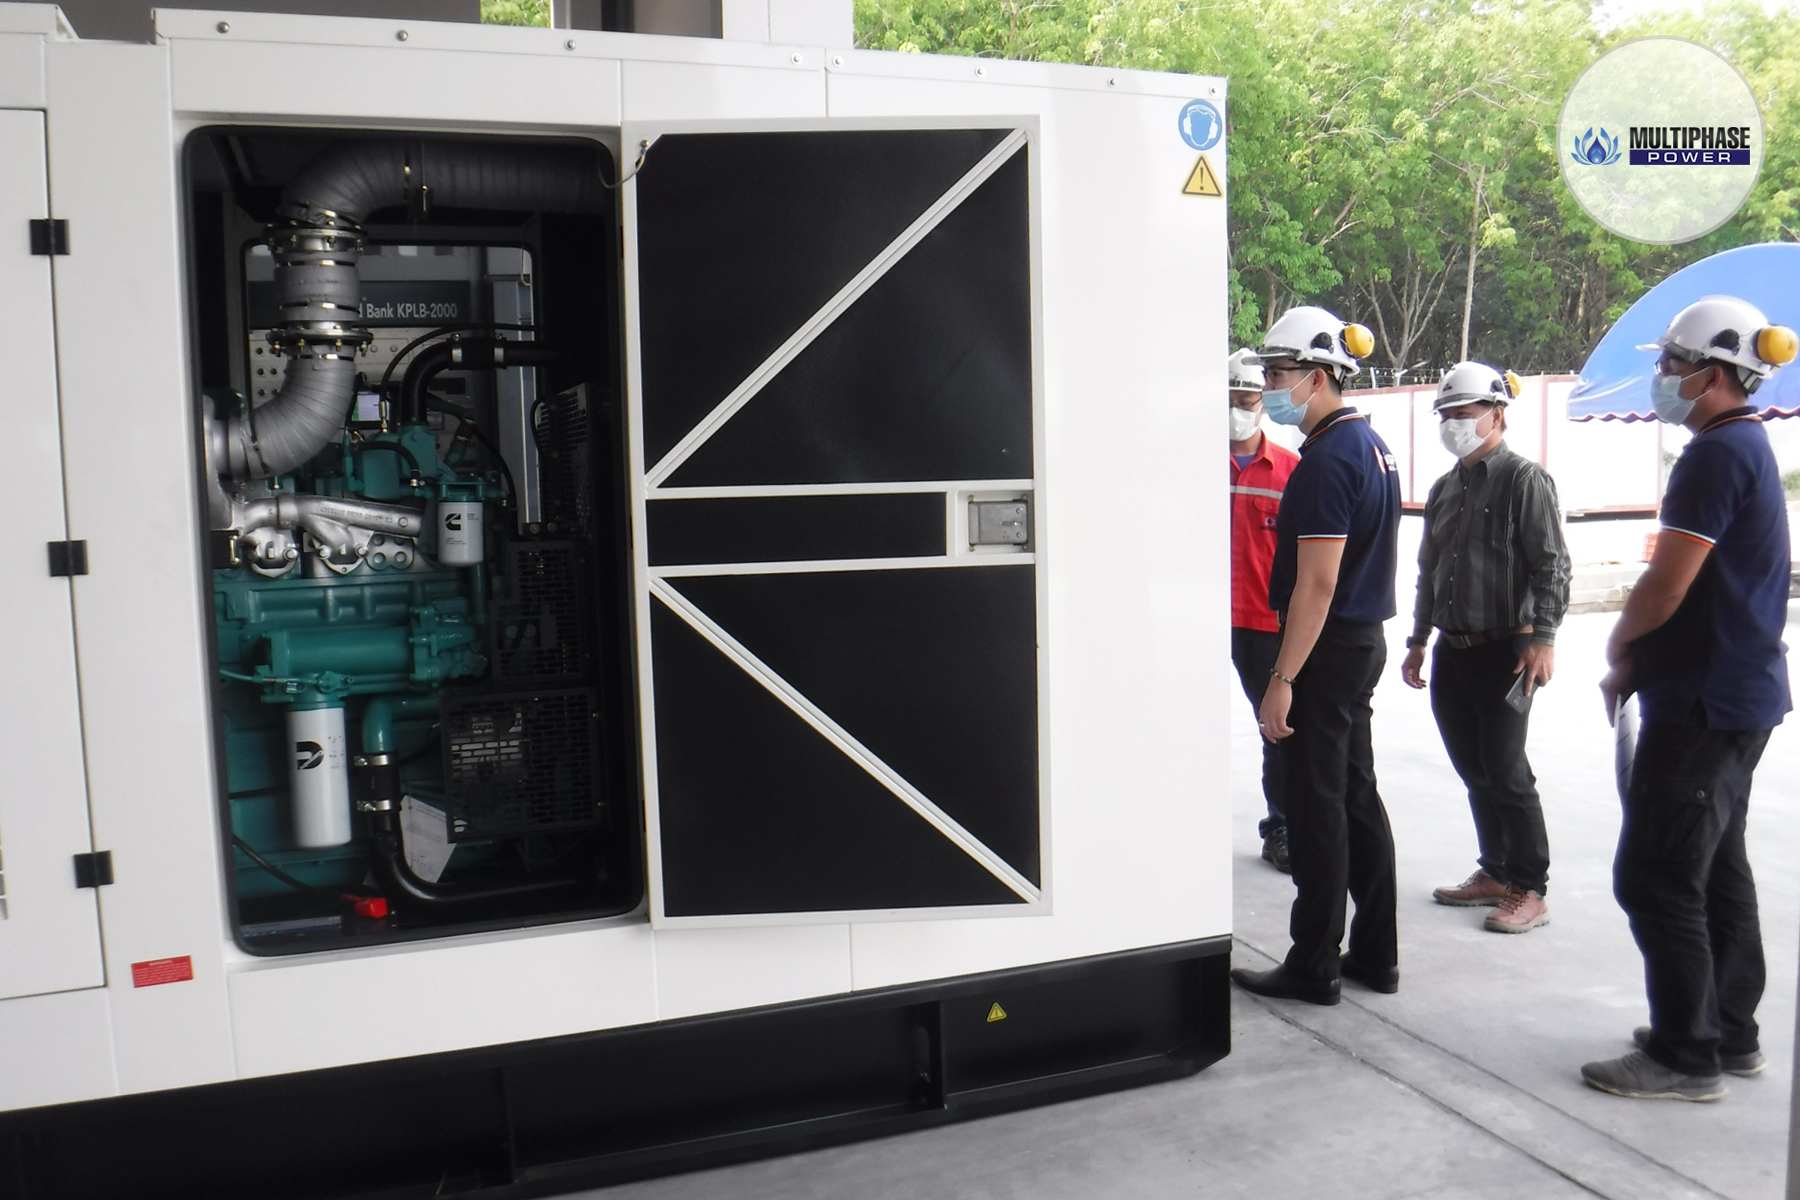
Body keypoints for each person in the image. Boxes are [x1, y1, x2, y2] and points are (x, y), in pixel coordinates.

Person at [1582, 296, 1797, 1101]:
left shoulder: (1714, 456)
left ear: (1713, 374)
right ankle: (1728, 1030)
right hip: (1738, 695)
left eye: (1673, 362)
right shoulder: (1747, 445)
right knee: (1716, 866)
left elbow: (1667, 583)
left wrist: (1621, 647)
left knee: (1657, 874)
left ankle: (1686, 1055)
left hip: (1703, 703)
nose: (1663, 376)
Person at [1228, 306, 1403, 1005]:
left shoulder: (1328, 459)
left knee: (1316, 803)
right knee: (1355, 794)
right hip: (1359, 642)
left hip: (1326, 651)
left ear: (1319, 376)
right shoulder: (1372, 446)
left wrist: (1282, 677)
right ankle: (1376, 954)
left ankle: (1314, 962)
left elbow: (1318, 583)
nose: (1270, 388)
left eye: (1278, 374)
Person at [1402, 363, 1571, 935]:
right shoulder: (1445, 489)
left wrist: (1543, 639)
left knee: (1505, 768)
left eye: (1464, 412)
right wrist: (1418, 640)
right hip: (1455, 649)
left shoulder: (1525, 480)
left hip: (1508, 650)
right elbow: (1430, 572)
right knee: (1474, 767)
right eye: (1446, 415)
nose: (1453, 423)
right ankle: (1496, 870)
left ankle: (1530, 887)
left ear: (1497, 414)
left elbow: (1552, 566)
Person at [1228, 347, 1302, 873]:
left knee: (1276, 727)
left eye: (1246, 400)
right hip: (1192, 622)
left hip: (1261, 623)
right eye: (1228, 399)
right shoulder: (1182, 469)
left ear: (1263, 402)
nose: (1236, 409)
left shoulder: (1291, 471)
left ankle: (1282, 827)